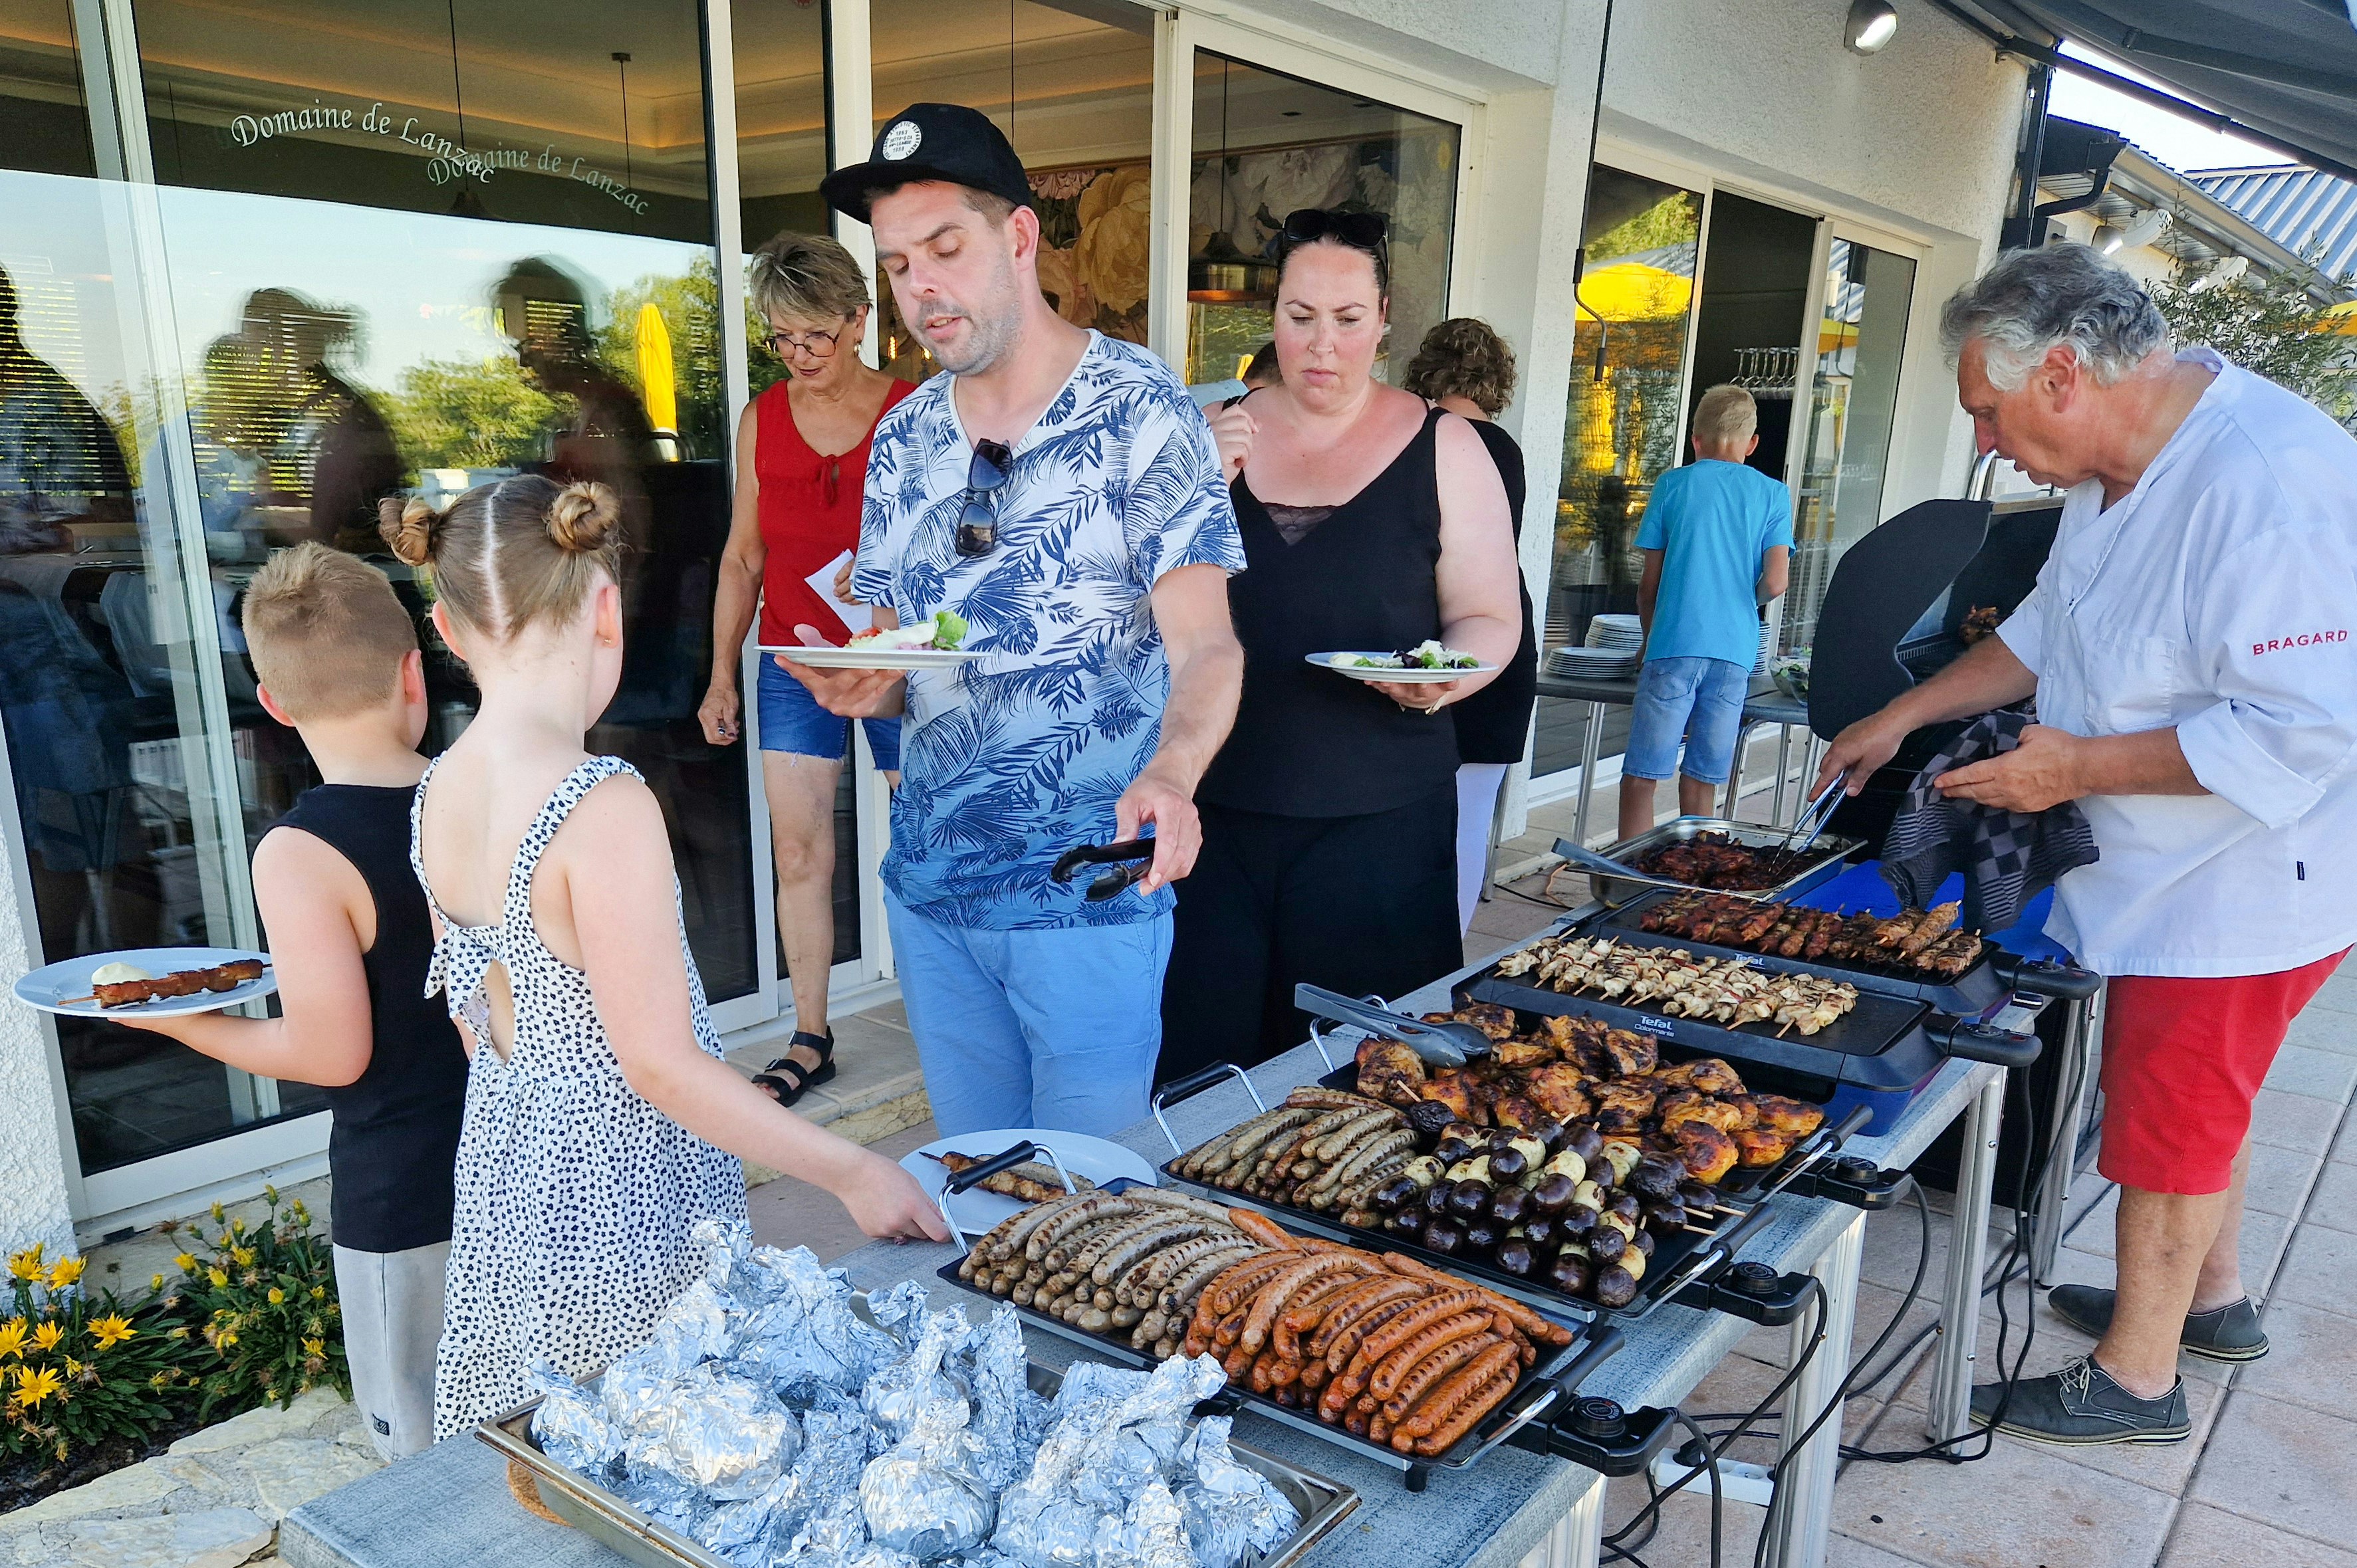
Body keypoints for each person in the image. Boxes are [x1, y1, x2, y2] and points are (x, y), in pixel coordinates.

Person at [1818, 243, 2357, 1446]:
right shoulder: (2107, 472)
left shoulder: (2268, 482)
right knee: (2205, 1104)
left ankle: (2138, 1377)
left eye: (1986, 412)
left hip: (2247, 878)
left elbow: (2309, 721)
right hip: (2169, 862)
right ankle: (2208, 1300)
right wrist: (1904, 711)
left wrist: (2070, 770)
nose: (1985, 443)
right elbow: (2050, 629)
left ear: (2060, 373)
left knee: (2170, 1112)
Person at [383, 475, 945, 1438]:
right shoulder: (598, 800)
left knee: (553, 1443)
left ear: (446, 625)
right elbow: (656, 1062)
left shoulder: (434, 791)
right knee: (658, 1440)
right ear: (606, 607)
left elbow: (474, 1019)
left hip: (509, 1178)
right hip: (620, 1192)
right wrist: (853, 1170)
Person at [789, 103, 1245, 1141]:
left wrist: (1172, 773)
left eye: (945, 248)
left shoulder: (1142, 408)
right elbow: (900, 646)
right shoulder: (901, 435)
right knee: (974, 1198)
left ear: (1021, 236)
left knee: (1088, 1210)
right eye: (900, 264)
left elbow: (1208, 642)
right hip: (932, 887)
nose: (923, 288)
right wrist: (870, 679)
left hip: (1087, 890)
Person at [110, 543, 464, 1460]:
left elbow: (331, 1050)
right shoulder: (475, 795)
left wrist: (183, 1020)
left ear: (273, 703)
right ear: (412, 669)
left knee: (427, 1455)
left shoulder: (302, 850)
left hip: (405, 1196)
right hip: (516, 1166)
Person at [1158, 210, 1522, 1079]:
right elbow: (1137, 610)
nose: (1322, 345)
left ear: (1385, 316)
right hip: (1219, 818)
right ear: (1271, 314)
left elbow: (1486, 614)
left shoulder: (1449, 446)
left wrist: (1451, 676)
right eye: (1299, 316)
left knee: (1369, 1085)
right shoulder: (1206, 434)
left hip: (1381, 822)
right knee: (1206, 1081)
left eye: (1348, 319)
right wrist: (1193, 488)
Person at [699, 233, 916, 1106]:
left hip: (897, 658)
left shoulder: (914, 407)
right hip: (792, 658)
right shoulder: (763, 417)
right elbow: (743, 557)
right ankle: (812, 1033)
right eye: (783, 339)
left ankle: (946, 1011)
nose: (800, 355)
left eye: (815, 336)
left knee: (925, 842)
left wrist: (905, 638)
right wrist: (722, 671)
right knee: (799, 848)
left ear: (859, 320)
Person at [1402, 316, 1538, 930]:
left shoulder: (1421, 439)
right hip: (1502, 641)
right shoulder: (1503, 448)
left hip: (1435, 639)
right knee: (1470, 819)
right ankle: (1443, 962)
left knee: (1420, 824)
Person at [1617, 384, 1792, 841]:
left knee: (1642, 774)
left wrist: (1647, 640)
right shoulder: (1772, 494)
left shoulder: (1673, 485)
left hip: (1673, 643)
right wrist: (1737, 603)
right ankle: (1693, 889)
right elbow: (1776, 582)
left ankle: (1625, 883)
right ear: (1752, 444)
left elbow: (1648, 586)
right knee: (1703, 776)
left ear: (1695, 438)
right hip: (1733, 651)